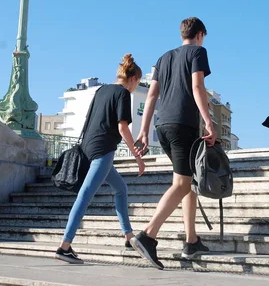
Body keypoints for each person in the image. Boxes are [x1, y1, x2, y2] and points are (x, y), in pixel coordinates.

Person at [130, 17, 216, 270]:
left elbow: (152, 94)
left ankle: (191, 241)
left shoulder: (164, 57)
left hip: (163, 126)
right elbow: (198, 86)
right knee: (181, 184)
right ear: (200, 34)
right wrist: (208, 121)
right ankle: (148, 234)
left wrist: (144, 130)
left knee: (186, 181)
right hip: (183, 125)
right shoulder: (198, 52)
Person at [55, 54, 146, 264]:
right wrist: (137, 157)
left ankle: (128, 236)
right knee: (85, 195)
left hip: (89, 147)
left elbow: (90, 120)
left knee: (120, 188)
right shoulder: (123, 93)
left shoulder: (101, 90)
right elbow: (123, 127)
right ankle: (64, 246)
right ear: (133, 79)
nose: (135, 87)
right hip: (103, 150)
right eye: (137, 83)